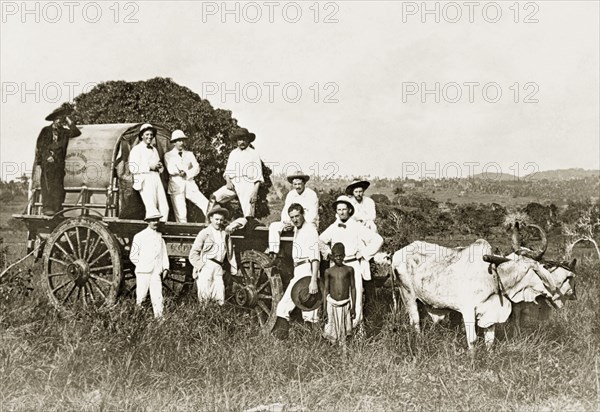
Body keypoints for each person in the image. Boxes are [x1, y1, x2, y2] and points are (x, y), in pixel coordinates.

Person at [319, 195, 383, 328]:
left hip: (353, 264)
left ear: (349, 210)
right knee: (335, 295)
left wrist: (364, 253)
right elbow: (320, 240)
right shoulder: (334, 226)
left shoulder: (357, 226)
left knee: (356, 296)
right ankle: (335, 329)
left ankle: (355, 328)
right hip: (335, 266)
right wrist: (328, 253)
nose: (341, 212)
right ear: (336, 212)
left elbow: (378, 240)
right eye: (339, 210)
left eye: (344, 209)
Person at [271, 203, 321, 339]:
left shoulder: (310, 229)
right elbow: (277, 226)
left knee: (309, 310)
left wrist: (314, 280)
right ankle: (281, 342)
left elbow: (315, 257)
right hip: (298, 270)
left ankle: (312, 343)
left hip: (308, 270)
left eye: (297, 216)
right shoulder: (297, 229)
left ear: (303, 214)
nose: (295, 219)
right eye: (292, 217)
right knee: (283, 307)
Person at [210, 128, 263, 225]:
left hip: (247, 183)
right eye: (239, 139)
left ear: (248, 140)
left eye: (244, 139)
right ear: (236, 141)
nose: (242, 142)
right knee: (214, 197)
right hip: (233, 182)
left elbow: (258, 176)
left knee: (248, 213)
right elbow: (227, 172)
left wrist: (255, 192)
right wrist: (228, 181)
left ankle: (249, 235)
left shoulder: (253, 153)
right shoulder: (233, 153)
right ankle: (209, 224)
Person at [35, 106, 81, 215]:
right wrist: (47, 156)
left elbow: (76, 132)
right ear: (54, 120)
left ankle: (57, 209)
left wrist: (69, 121)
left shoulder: (64, 132)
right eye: (59, 119)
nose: (60, 121)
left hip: (59, 164)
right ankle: (47, 208)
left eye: (62, 119)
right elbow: (40, 146)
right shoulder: (45, 131)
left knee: (58, 186)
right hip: (47, 163)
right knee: (47, 185)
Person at [188, 206, 238, 305]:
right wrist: (202, 266)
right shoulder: (204, 233)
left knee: (219, 296)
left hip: (218, 268)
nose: (218, 222)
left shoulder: (225, 234)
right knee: (204, 297)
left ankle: (216, 319)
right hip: (207, 265)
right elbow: (193, 254)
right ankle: (203, 318)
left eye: (221, 220)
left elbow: (230, 252)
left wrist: (231, 267)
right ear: (211, 219)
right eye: (216, 219)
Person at [268, 170, 319, 261]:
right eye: (295, 184)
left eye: (299, 184)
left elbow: (312, 215)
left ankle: (300, 257)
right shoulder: (291, 194)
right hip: (292, 221)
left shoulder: (311, 195)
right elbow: (285, 210)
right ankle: (274, 253)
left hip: (306, 223)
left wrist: (294, 224)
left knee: (302, 231)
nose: (297, 186)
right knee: (274, 226)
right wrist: (287, 223)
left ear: (304, 183)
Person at [129, 212, 169, 319]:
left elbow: (164, 254)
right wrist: (142, 264)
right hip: (143, 272)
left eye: (157, 220)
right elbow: (133, 255)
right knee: (141, 295)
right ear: (147, 222)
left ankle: (159, 318)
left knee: (157, 296)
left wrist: (165, 268)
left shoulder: (160, 238)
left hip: (156, 272)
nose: (155, 222)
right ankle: (138, 318)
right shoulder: (139, 236)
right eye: (152, 220)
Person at [164, 129, 209, 222]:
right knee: (181, 214)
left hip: (189, 184)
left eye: (182, 140)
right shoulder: (168, 155)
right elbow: (171, 169)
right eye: (178, 141)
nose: (181, 143)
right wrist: (183, 170)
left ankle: (211, 227)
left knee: (206, 204)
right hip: (176, 185)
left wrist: (187, 173)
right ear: (174, 142)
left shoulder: (189, 154)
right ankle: (182, 235)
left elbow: (197, 168)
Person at [128, 123, 169, 222]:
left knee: (164, 206)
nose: (149, 137)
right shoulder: (136, 149)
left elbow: (158, 163)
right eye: (147, 134)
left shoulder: (154, 149)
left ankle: (163, 229)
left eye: (151, 135)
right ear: (142, 136)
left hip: (155, 178)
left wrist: (159, 167)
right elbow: (132, 168)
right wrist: (149, 167)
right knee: (152, 208)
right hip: (144, 179)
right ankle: (152, 231)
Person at [322, 242, 356, 344]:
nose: (338, 258)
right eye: (335, 256)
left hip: (345, 304)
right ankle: (332, 350)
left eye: (340, 256)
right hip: (332, 304)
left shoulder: (349, 270)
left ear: (344, 256)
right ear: (332, 256)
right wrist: (324, 310)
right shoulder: (328, 271)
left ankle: (344, 352)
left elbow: (353, 288)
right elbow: (326, 290)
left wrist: (353, 306)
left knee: (344, 332)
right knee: (331, 331)